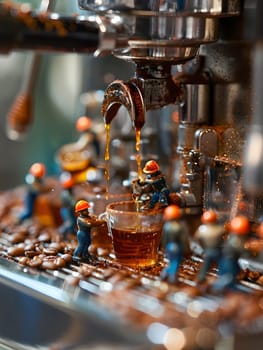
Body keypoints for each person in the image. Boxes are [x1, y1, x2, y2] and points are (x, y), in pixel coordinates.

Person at [213, 215, 250, 292]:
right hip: (230, 262)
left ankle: (229, 288)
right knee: (229, 277)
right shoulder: (237, 241)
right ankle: (216, 288)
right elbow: (244, 252)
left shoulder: (231, 238)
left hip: (225, 260)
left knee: (226, 276)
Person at [160, 205, 190, 283]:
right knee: (175, 262)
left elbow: (164, 239)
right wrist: (187, 250)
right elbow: (183, 240)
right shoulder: (180, 227)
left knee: (171, 261)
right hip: (177, 247)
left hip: (169, 247)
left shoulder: (166, 226)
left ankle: (165, 273)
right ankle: (172, 276)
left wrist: (164, 248)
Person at [194, 210, 225, 282]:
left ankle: (201, 277)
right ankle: (222, 278)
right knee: (221, 265)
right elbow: (223, 238)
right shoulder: (219, 229)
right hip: (217, 251)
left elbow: (197, 240)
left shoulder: (201, 230)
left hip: (208, 251)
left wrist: (203, 248)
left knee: (206, 265)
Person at [58, 173, 76, 239]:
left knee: (73, 221)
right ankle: (61, 232)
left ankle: (72, 232)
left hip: (69, 209)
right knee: (69, 223)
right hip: (66, 210)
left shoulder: (68, 192)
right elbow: (73, 203)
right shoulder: (66, 194)